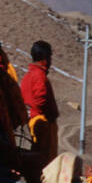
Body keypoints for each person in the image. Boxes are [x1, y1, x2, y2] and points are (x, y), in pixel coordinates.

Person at [21, 40, 60, 168]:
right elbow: (40, 99)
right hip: (43, 122)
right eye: (49, 57)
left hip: (35, 120)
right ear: (45, 59)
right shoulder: (39, 76)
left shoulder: (29, 75)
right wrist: (45, 115)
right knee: (46, 161)